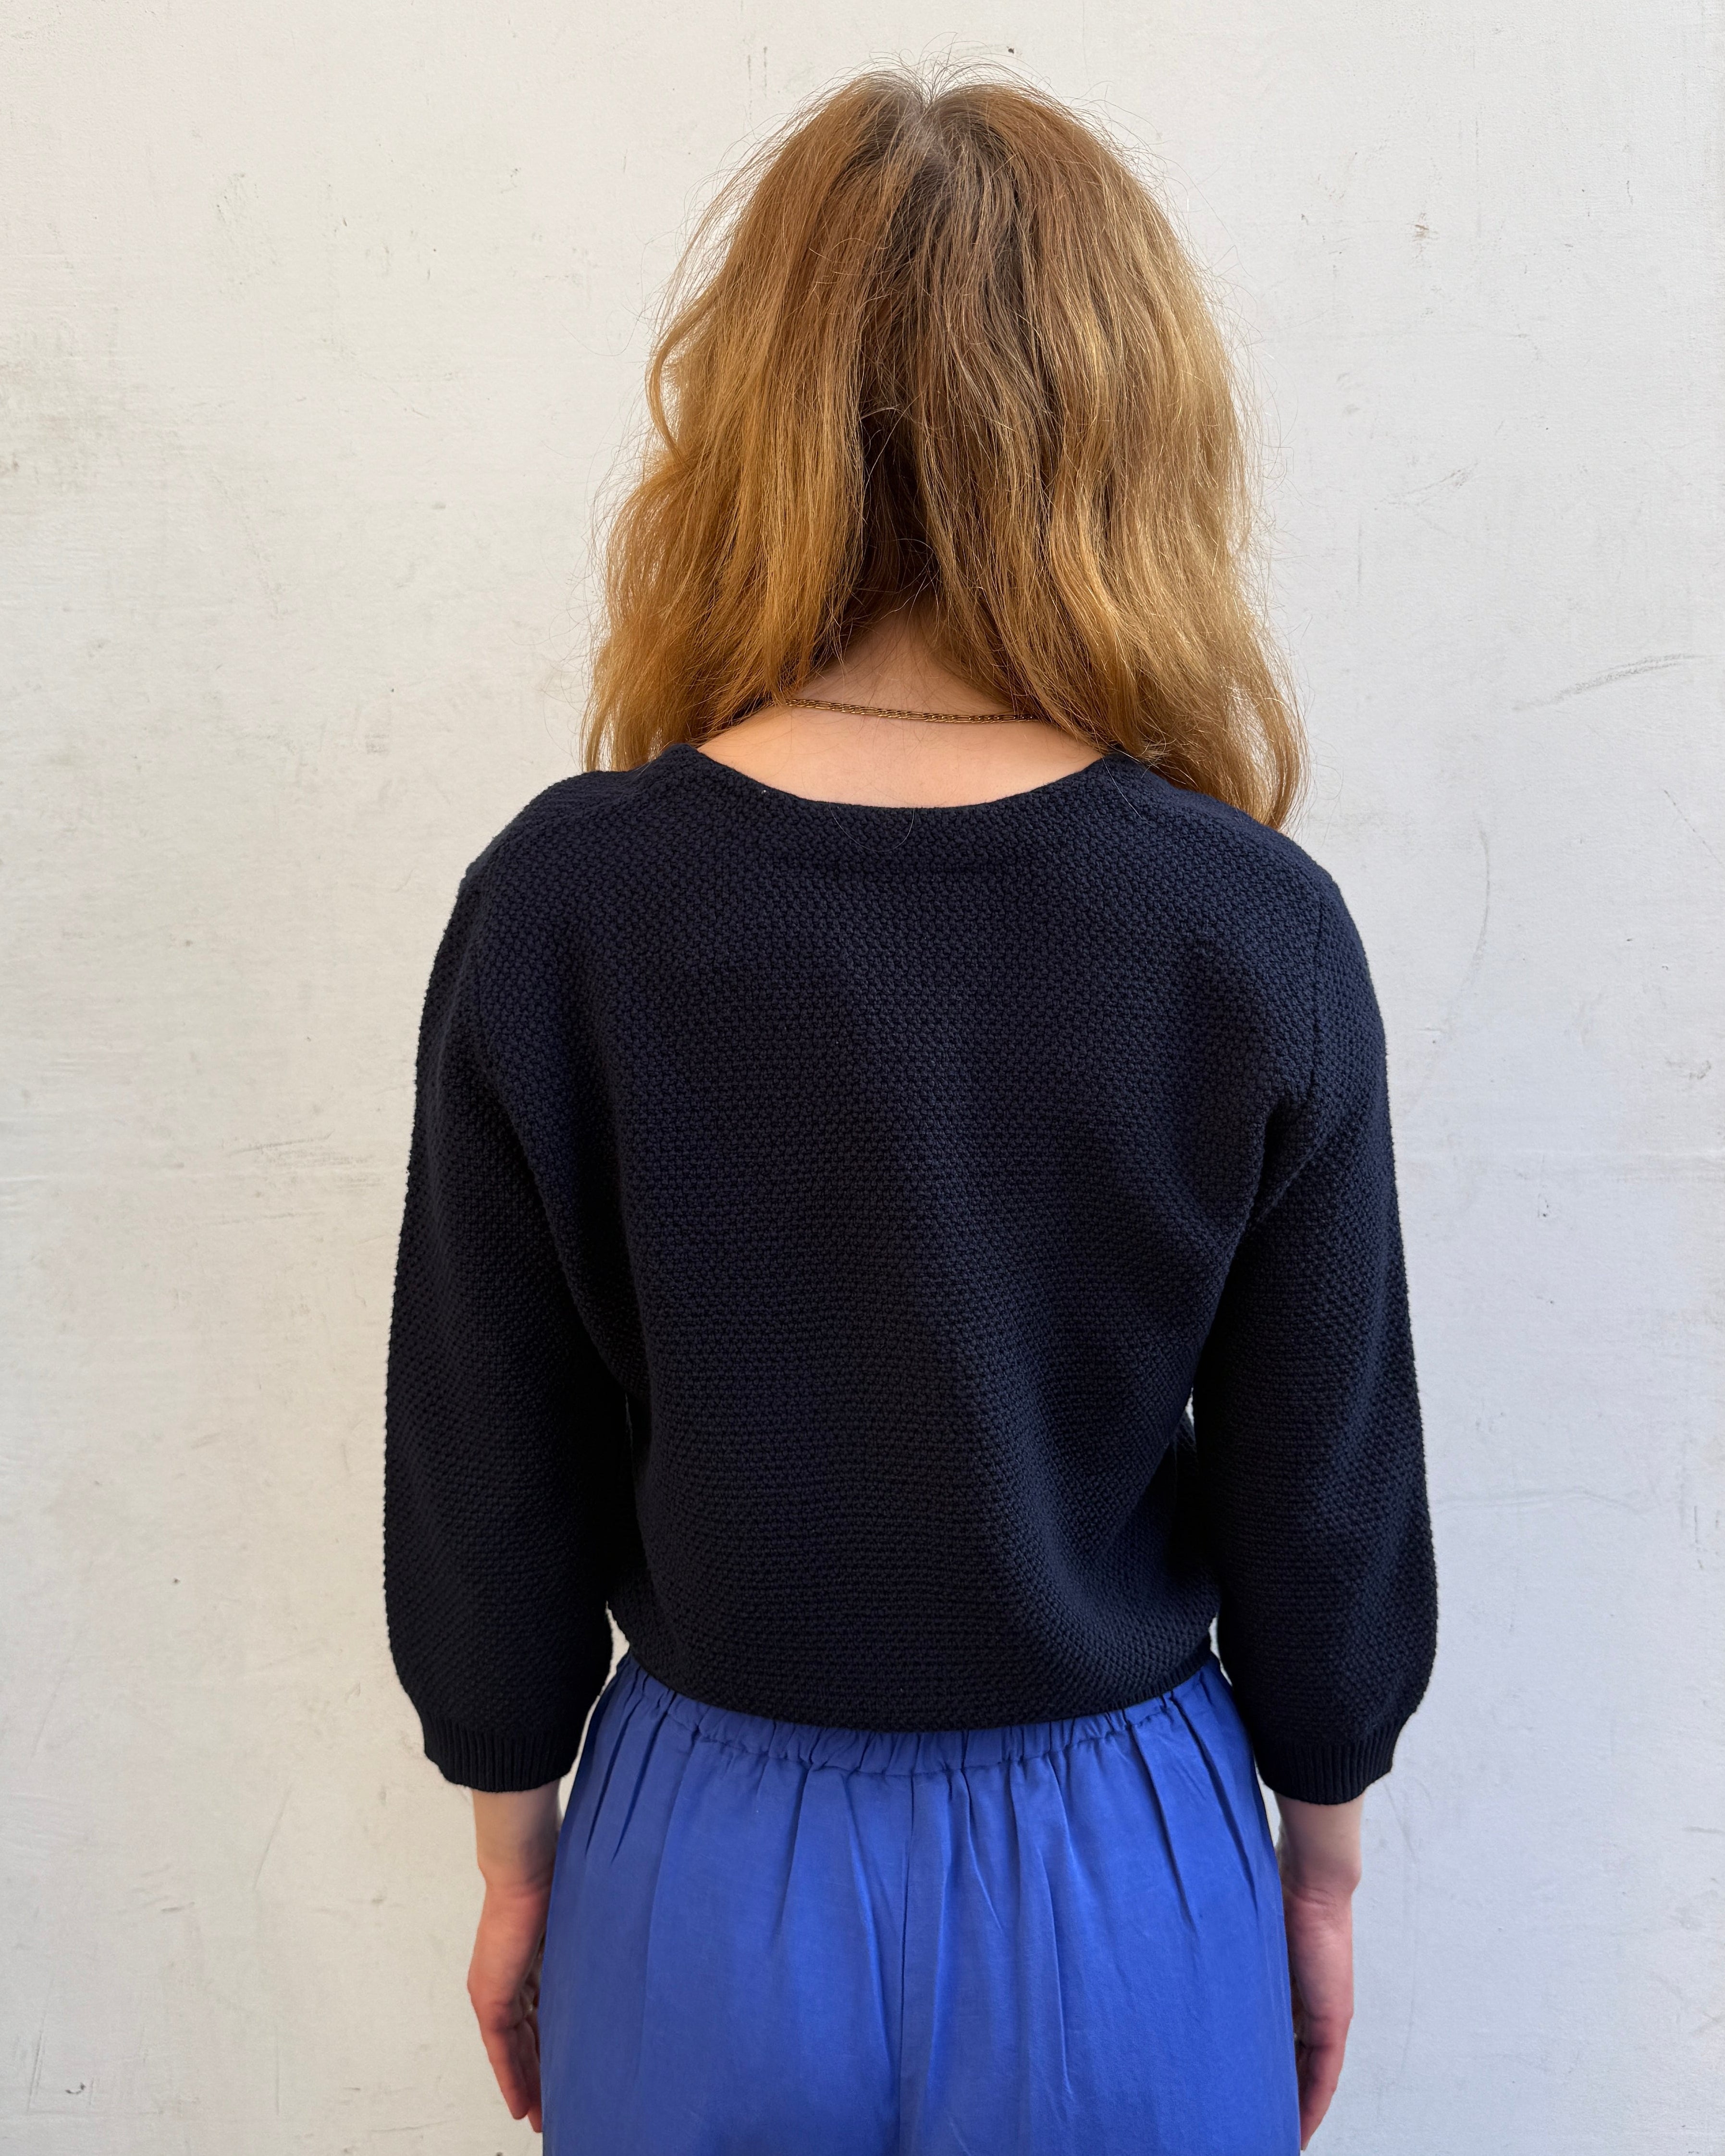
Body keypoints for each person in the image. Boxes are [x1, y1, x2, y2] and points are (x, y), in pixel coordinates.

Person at [383, 66, 1438, 2156]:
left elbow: (486, 1458)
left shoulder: (564, 905)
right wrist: (1318, 1876)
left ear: (752, 417)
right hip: (1123, 1863)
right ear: (1126, 426)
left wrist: (515, 1856)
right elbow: (1322, 1492)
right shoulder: (1247, 928)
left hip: (703, 1868)